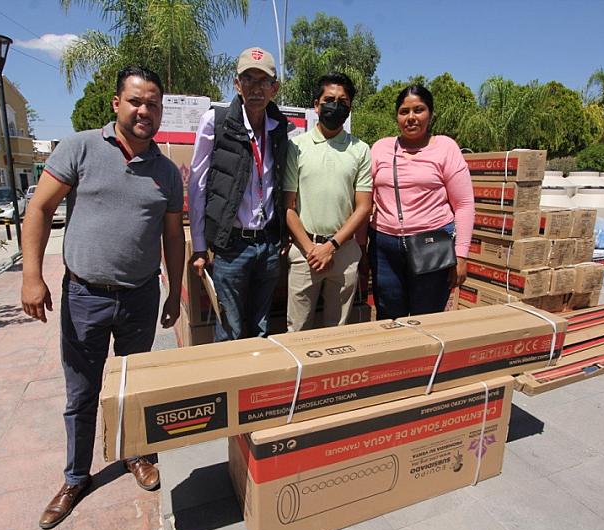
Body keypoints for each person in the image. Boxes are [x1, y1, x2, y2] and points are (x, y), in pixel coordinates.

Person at [21, 66, 185, 530]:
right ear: (117, 103)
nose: (144, 111)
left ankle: (137, 454)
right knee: (82, 392)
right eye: (135, 101)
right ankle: (75, 477)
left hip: (140, 297)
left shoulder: (167, 173)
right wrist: (31, 276)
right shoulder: (81, 148)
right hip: (84, 296)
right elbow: (40, 207)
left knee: (134, 387)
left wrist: (174, 290)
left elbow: (173, 237)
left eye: (152, 103)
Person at [187, 47, 289, 341]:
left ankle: (256, 385)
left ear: (274, 88)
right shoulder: (215, 122)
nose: (255, 88)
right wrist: (199, 246)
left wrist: (282, 234)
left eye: (263, 81)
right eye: (248, 79)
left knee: (261, 327)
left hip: (267, 245)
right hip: (231, 246)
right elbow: (197, 185)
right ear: (236, 84)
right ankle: (231, 384)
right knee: (229, 328)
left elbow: (282, 184)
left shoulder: (280, 128)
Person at [368, 84, 474, 319]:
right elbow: (366, 198)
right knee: (389, 317)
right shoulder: (381, 148)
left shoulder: (445, 147)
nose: (411, 118)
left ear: (431, 113)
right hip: (385, 247)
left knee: (426, 319)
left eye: (419, 110)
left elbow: (464, 205)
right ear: (396, 116)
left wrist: (462, 255)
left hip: (431, 243)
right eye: (404, 111)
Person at [284, 72, 372, 331]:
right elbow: (288, 207)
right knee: (296, 330)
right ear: (316, 105)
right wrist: (312, 248)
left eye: (342, 101)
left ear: (350, 107)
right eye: (329, 99)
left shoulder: (360, 149)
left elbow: (364, 206)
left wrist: (331, 246)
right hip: (304, 251)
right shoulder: (296, 147)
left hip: (343, 252)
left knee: (337, 331)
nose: (335, 105)